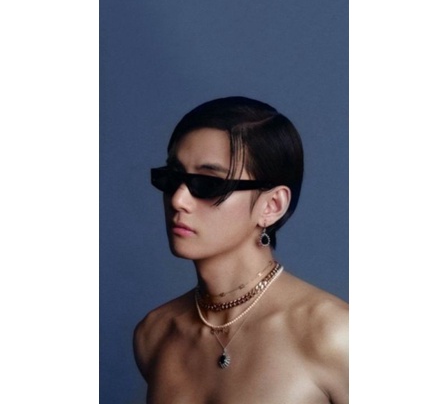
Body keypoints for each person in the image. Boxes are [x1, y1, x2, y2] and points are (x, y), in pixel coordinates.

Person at [133, 96, 348, 404]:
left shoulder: (334, 334)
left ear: (272, 206)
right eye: (173, 178)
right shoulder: (155, 334)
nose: (178, 200)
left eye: (208, 183)